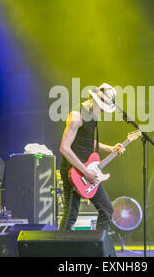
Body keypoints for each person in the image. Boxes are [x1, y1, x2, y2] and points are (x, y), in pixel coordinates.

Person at [58, 83, 125, 231]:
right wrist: (86, 172)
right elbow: (64, 148)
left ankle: (97, 248)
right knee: (71, 214)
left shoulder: (92, 115)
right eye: (102, 107)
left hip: (87, 169)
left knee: (106, 209)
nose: (102, 111)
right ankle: (60, 250)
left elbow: (87, 140)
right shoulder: (76, 116)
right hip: (73, 170)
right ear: (94, 100)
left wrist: (111, 148)